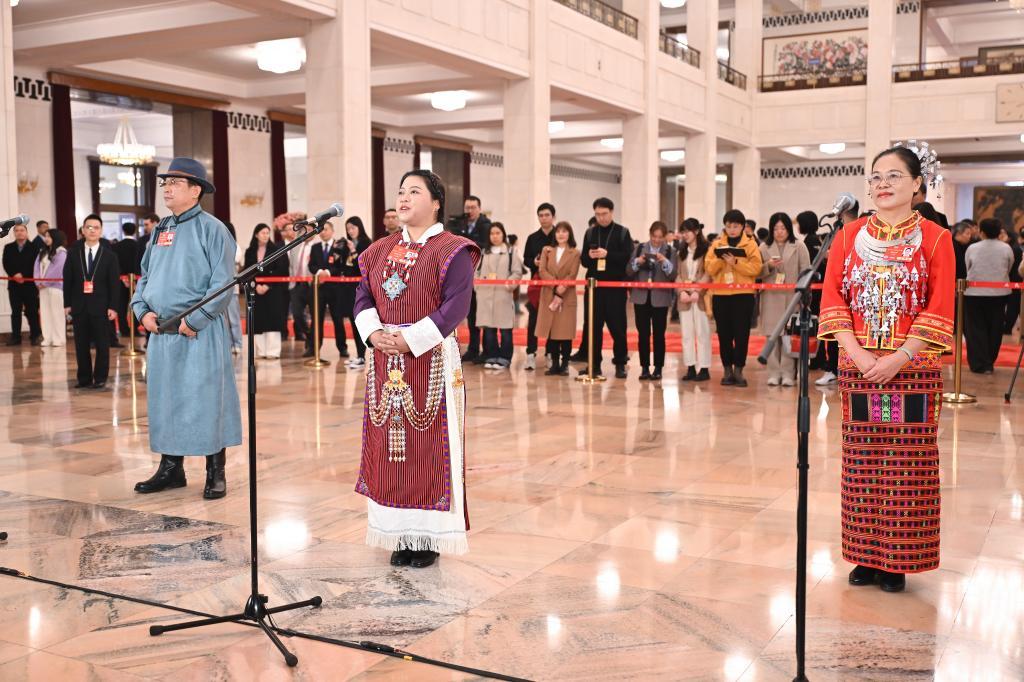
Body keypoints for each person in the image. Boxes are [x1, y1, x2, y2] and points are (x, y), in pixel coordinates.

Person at [818, 143, 954, 594]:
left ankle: (897, 560)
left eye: (894, 175)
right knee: (861, 463)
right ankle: (864, 555)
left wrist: (900, 356)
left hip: (912, 369)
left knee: (907, 464)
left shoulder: (937, 239)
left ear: (916, 184)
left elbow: (939, 307)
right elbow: (833, 299)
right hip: (859, 367)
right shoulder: (847, 235)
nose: (882, 184)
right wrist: (857, 354)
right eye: (875, 176)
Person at [352, 169, 480, 568]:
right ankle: (400, 533)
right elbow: (363, 297)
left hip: (431, 360)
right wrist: (374, 334)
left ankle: (427, 539)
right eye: (400, 192)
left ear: (436, 202)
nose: (403, 198)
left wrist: (410, 339)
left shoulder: (454, 250)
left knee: (429, 449)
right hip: (385, 361)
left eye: (414, 191)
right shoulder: (378, 250)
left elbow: (456, 306)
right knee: (390, 451)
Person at [131, 157, 241, 500]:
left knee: (207, 398)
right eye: (165, 182)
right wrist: (141, 310)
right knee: (165, 400)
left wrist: (195, 320)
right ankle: (171, 468)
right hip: (161, 332)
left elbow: (223, 283)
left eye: (175, 183)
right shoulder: (160, 229)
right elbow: (145, 276)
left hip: (199, 332)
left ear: (196, 191)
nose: (167, 188)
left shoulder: (213, 229)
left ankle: (215, 471)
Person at [705, 209, 763, 387]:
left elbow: (756, 268)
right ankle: (727, 370)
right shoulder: (717, 244)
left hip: (743, 296)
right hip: (721, 295)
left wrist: (736, 263)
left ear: (742, 227)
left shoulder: (750, 245)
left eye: (736, 226)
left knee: (741, 334)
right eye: (729, 226)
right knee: (724, 334)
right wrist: (721, 260)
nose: (732, 230)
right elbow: (709, 268)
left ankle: (739, 370)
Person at [63, 214, 119, 389]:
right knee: (81, 345)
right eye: (89, 227)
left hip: (101, 307)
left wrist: (113, 307)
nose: (92, 230)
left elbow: (114, 284)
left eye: (96, 227)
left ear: (101, 231)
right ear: (83, 230)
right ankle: (84, 378)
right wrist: (67, 304)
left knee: (103, 344)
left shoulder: (109, 256)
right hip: (79, 306)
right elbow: (68, 280)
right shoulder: (73, 253)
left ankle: (100, 378)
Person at [580, 197, 632, 378]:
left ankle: (620, 363)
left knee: (618, 327)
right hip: (594, 288)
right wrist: (589, 255)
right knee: (593, 327)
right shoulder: (590, 233)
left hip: (615, 288)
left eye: (604, 214)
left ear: (612, 212)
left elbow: (627, 257)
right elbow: (583, 261)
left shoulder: (622, 232)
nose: (601, 218)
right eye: (597, 214)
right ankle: (594, 364)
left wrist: (607, 254)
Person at [759, 213, 810, 386]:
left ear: (789, 229)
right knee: (772, 336)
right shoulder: (764, 247)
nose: (779, 232)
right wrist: (768, 266)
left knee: (789, 336)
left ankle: (788, 373)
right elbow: (756, 272)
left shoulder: (799, 246)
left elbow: (806, 271)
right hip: (770, 298)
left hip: (792, 298)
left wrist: (803, 296)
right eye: (776, 228)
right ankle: (774, 373)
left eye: (783, 228)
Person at [627, 221, 677, 380]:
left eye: (660, 237)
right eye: (654, 236)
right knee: (643, 334)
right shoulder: (639, 248)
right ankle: (644, 368)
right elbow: (629, 271)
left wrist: (664, 262)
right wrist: (638, 262)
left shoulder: (670, 251)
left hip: (660, 298)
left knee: (659, 334)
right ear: (650, 234)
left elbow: (673, 275)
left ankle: (658, 368)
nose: (656, 240)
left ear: (665, 237)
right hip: (641, 297)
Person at [964, 218, 1013, 374]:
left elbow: (968, 267)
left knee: (975, 328)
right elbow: (1009, 267)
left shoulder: (973, 248)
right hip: (999, 294)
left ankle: (979, 363)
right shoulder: (1006, 248)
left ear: (981, 231)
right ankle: (989, 361)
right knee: (995, 328)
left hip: (974, 293)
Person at [475, 222, 524, 369]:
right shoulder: (484, 252)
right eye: (492, 233)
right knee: (489, 329)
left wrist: (509, 285)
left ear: (503, 234)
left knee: (505, 329)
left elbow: (517, 272)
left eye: (498, 233)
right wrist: (477, 286)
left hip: (503, 295)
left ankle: (505, 357)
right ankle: (491, 356)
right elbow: (476, 272)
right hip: (485, 296)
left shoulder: (510, 252)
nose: (495, 236)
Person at [535, 221, 580, 376]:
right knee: (552, 332)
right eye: (558, 231)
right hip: (549, 294)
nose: (561, 234)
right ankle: (554, 364)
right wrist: (555, 285)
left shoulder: (575, 253)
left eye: (564, 231)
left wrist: (562, 287)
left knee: (565, 332)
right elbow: (542, 270)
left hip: (567, 295)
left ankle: (565, 364)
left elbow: (572, 274)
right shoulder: (547, 250)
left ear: (569, 234)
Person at [245, 223, 289, 359]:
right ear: (256, 235)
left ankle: (273, 351)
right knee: (258, 320)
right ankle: (261, 351)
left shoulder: (276, 250)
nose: (266, 235)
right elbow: (247, 270)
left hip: (273, 291)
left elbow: (282, 270)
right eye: (263, 233)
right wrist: (256, 285)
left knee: (273, 319)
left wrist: (267, 285)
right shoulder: (250, 251)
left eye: (267, 233)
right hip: (255, 290)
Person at [522, 202, 557, 371]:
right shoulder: (532, 238)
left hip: (554, 284)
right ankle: (531, 353)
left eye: (547, 215)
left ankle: (551, 353)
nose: (543, 218)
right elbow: (526, 259)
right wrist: (534, 262)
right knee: (533, 320)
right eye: (541, 215)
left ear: (553, 217)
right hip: (536, 284)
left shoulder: (560, 235)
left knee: (553, 320)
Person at [676, 219, 712, 382]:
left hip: (700, 298)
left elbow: (708, 273)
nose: (685, 235)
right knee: (687, 334)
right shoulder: (681, 252)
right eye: (683, 232)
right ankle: (690, 367)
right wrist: (681, 291)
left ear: (696, 231)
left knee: (702, 333)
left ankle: (704, 368)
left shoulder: (707, 250)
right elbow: (677, 275)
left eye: (687, 231)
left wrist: (698, 290)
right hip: (685, 299)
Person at [456, 195, 491, 362]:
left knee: (482, 315)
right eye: (467, 207)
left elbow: (485, 245)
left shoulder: (486, 225)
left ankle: (487, 350)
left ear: (479, 209)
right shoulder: (460, 224)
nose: (469, 211)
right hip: (465, 275)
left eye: (472, 207)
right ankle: (473, 348)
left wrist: (467, 243)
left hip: (482, 274)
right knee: (470, 315)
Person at [338, 216, 372, 368]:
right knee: (352, 321)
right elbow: (344, 266)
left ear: (359, 227)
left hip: (360, 288)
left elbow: (361, 267)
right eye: (348, 229)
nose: (350, 231)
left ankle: (363, 356)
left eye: (353, 228)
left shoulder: (366, 243)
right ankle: (359, 355)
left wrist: (353, 250)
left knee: (360, 322)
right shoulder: (347, 244)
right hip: (347, 288)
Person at [3, 223, 41, 345]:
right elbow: (6, 263)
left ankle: (35, 336)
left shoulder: (34, 247)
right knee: (15, 312)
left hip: (29, 284)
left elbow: (36, 265)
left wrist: (23, 275)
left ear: (26, 232)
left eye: (22, 230)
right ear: (14, 233)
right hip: (14, 285)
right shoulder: (8, 247)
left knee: (32, 312)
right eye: (17, 230)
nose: (19, 232)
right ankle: (16, 337)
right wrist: (14, 274)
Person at [277, 212, 311, 344]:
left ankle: (307, 337)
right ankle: (308, 335)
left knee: (306, 313)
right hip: (292, 283)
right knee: (294, 312)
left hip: (308, 283)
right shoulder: (290, 245)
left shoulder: (310, 245)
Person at [34, 228, 67, 347]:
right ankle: (47, 338)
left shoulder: (61, 252)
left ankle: (59, 338)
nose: (46, 239)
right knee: (45, 313)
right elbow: (36, 268)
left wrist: (45, 282)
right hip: (42, 288)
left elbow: (57, 270)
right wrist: (38, 282)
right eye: (46, 236)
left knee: (57, 313)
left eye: (49, 236)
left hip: (56, 288)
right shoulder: (42, 252)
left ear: (55, 238)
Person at [113, 222, 140, 346]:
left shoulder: (116, 246)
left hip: (120, 279)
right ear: (134, 231)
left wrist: (123, 277)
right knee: (137, 304)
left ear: (123, 231)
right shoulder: (138, 245)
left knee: (121, 305)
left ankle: (124, 330)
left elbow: (115, 263)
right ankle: (135, 329)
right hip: (136, 279)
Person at [223, 221, 244, 354]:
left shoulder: (236, 246)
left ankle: (238, 343)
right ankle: (228, 343)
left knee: (233, 318)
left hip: (232, 288)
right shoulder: (217, 244)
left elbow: (235, 260)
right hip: (219, 289)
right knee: (224, 319)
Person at [999, 226, 1022, 336]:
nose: (1000, 236)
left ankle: (1007, 327)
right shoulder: (1011, 247)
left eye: (1003, 234)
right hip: (1010, 280)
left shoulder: (1012, 248)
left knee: (1013, 305)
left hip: (1013, 281)